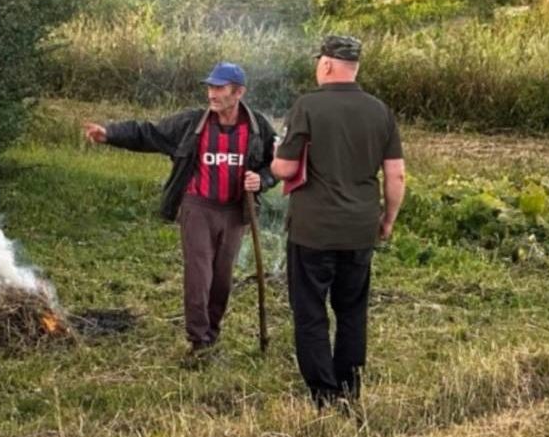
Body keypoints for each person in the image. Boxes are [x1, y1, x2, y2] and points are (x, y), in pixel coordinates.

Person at [83, 62, 277, 363]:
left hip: (235, 211)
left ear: (238, 92)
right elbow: (149, 133)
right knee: (199, 275)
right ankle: (199, 342)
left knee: (223, 278)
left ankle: (213, 331)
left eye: (219, 88)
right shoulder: (192, 123)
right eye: (209, 87)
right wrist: (110, 134)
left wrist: (262, 179)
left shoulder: (258, 127)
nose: (211, 94)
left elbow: (276, 164)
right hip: (198, 207)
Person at [271, 35, 406, 408]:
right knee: (352, 311)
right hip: (360, 229)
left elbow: (284, 168)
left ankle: (324, 394)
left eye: (319, 61)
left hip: (312, 231)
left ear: (327, 64)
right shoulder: (380, 111)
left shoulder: (308, 106)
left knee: (310, 311)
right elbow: (396, 176)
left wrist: (271, 157)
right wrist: (387, 219)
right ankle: (349, 388)